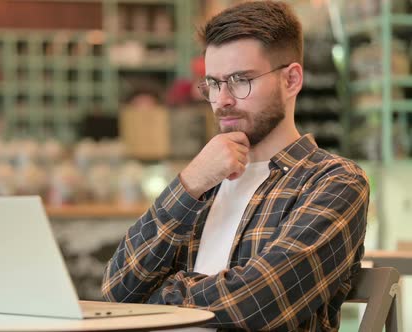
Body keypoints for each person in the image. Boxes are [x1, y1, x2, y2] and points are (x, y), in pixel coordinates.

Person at [101, 1, 370, 331]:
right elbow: (116, 292)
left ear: (291, 80)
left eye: (240, 80)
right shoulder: (204, 182)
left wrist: (160, 299)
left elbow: (259, 302)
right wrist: (188, 184)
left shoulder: (332, 182)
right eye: (213, 83)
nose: (223, 99)